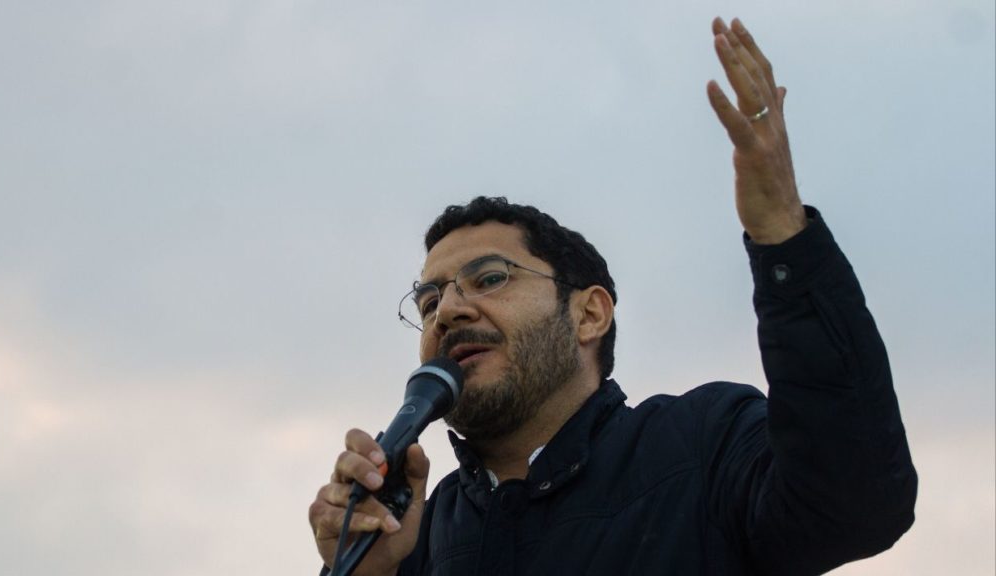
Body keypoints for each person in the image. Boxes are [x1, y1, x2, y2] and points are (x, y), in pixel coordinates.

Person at [309, 17, 917, 576]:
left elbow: (856, 502)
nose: (448, 311)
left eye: (490, 278)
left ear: (590, 313)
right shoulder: (415, 536)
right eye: (428, 303)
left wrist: (784, 235)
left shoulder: (702, 446)